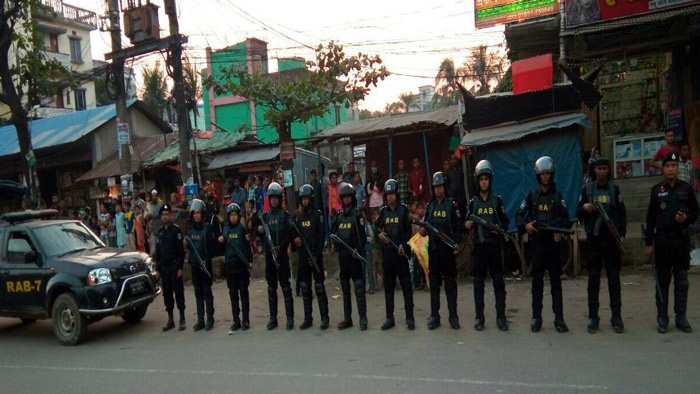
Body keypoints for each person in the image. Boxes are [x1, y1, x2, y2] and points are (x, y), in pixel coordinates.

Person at [645, 152, 699, 333]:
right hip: (663, 242)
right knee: (662, 281)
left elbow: (695, 213)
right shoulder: (657, 190)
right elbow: (650, 218)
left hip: (681, 241)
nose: (671, 169)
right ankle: (662, 318)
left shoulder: (686, 189)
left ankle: (681, 317)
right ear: (663, 169)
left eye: (674, 166)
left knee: (682, 281)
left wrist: (687, 218)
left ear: (677, 169)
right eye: (667, 166)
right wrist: (649, 243)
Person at [516, 156, 571, 333]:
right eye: (542, 174)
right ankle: (536, 318)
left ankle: (559, 319)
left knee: (556, 284)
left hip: (553, 247)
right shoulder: (532, 196)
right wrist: (527, 226)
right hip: (538, 246)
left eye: (548, 173)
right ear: (538, 176)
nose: (545, 177)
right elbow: (518, 216)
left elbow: (566, 220)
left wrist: (560, 233)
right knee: (537, 284)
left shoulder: (557, 196)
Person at [577, 157, 627, 333]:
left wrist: (622, 235)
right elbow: (577, 213)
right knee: (593, 281)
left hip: (611, 242)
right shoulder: (588, 190)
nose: (602, 172)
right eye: (599, 169)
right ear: (595, 171)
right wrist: (585, 207)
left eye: (605, 168)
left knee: (614, 280)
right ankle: (593, 317)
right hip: (594, 242)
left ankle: (616, 317)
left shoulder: (614, 189)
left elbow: (622, 214)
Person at [465, 160, 510, 332]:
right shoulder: (473, 202)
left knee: (498, 282)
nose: (484, 182)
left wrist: (500, 230)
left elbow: (505, 222)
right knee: (478, 284)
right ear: (478, 181)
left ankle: (501, 317)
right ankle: (479, 317)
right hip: (479, 248)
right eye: (481, 179)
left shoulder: (496, 200)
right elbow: (466, 224)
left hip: (494, 248)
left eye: (486, 179)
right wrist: (467, 224)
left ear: (490, 180)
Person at [421, 172, 462, 330]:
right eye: (435, 187)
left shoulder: (452, 204)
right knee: (434, 285)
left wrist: (457, 243)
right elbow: (425, 226)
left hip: (448, 251)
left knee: (450, 284)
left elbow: (458, 226)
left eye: (440, 186)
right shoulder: (430, 205)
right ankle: (434, 316)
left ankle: (453, 316)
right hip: (434, 250)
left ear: (444, 187)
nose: (438, 189)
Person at [254, 182, 295, 330]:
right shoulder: (264, 217)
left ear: (280, 199)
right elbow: (256, 230)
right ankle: (273, 318)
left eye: (276, 198)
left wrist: (282, 246)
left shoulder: (285, 216)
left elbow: (289, 234)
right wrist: (259, 230)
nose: (273, 201)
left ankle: (290, 318)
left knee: (285, 287)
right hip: (270, 258)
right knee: (271, 288)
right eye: (271, 198)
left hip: (282, 255)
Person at [376, 179, 414, 331]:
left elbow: (408, 231)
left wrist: (403, 244)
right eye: (388, 194)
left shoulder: (403, 210)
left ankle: (410, 318)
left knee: (406, 287)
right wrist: (380, 236)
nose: (390, 197)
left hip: (401, 254)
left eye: (393, 194)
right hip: (388, 256)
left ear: (396, 194)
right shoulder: (383, 212)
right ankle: (389, 317)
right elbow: (377, 228)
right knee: (389, 288)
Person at [292, 184, 330, 330]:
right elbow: (293, 234)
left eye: (307, 198)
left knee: (319, 287)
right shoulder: (298, 217)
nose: (305, 201)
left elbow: (321, 237)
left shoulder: (317, 215)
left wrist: (316, 254)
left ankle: (325, 318)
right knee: (305, 288)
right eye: (303, 199)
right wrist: (296, 240)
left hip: (316, 257)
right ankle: (308, 318)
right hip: (303, 257)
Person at [332, 183, 368, 330]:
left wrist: (357, 249)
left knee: (359, 289)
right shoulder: (339, 218)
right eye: (344, 197)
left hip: (355, 257)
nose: (346, 199)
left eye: (348, 197)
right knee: (346, 291)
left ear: (352, 198)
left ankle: (363, 318)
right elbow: (334, 236)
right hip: (343, 258)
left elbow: (363, 238)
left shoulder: (357, 216)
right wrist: (334, 243)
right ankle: (348, 319)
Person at [218, 203, 253, 331]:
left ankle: (245, 320)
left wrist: (249, 261)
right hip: (230, 267)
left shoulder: (241, 229)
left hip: (241, 266)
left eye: (235, 215)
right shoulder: (225, 229)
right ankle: (236, 320)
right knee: (233, 295)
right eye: (231, 215)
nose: (233, 217)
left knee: (244, 293)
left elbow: (247, 247)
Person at [153, 204, 186, 332]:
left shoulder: (176, 230)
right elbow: (158, 253)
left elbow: (180, 251)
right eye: (163, 215)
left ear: (170, 215)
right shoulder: (160, 232)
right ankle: (170, 319)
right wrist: (158, 270)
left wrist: (180, 268)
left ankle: (182, 318)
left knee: (178, 292)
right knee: (167, 294)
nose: (165, 216)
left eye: (167, 214)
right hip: (164, 268)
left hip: (174, 266)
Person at [186, 199, 216, 332]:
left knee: (207, 292)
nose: (196, 216)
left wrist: (206, 260)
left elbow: (212, 248)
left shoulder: (208, 228)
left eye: (198, 213)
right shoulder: (191, 230)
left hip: (205, 266)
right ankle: (200, 320)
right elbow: (189, 247)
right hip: (194, 265)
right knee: (198, 293)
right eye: (194, 214)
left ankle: (210, 319)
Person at [447, 155, 467, 220]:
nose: (453, 161)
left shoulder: (461, 170)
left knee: (463, 215)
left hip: (462, 198)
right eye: (451, 159)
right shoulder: (448, 172)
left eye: (454, 159)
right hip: (453, 198)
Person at [362, 208, 376, 294]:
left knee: (370, 269)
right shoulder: (358, 225)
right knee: (362, 270)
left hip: (368, 249)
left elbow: (372, 236)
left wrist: (364, 239)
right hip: (361, 250)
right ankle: (363, 287)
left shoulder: (367, 225)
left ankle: (371, 286)